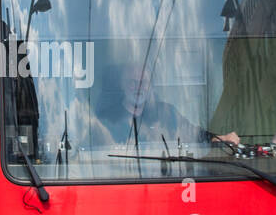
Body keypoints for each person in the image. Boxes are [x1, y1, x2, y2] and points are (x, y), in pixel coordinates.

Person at [102, 62, 240, 153]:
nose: (139, 87)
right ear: (122, 85)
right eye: (132, 82)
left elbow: (193, 133)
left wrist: (219, 138)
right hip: (125, 183)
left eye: (144, 82)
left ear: (150, 86)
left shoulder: (166, 112)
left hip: (163, 180)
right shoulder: (107, 119)